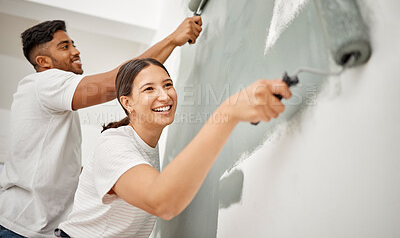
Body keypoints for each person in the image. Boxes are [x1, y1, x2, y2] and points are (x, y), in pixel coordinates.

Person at [0, 17, 202, 238]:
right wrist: (174, 38)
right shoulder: (41, 84)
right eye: (64, 46)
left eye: (73, 44)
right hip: (20, 228)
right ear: (44, 62)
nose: (76, 51)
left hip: (37, 228)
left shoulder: (54, 108)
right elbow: (115, 83)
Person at [56, 58, 292, 237]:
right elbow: (163, 202)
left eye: (167, 85)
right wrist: (228, 112)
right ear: (127, 103)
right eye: (149, 89)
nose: (164, 96)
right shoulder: (114, 144)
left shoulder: (148, 144)